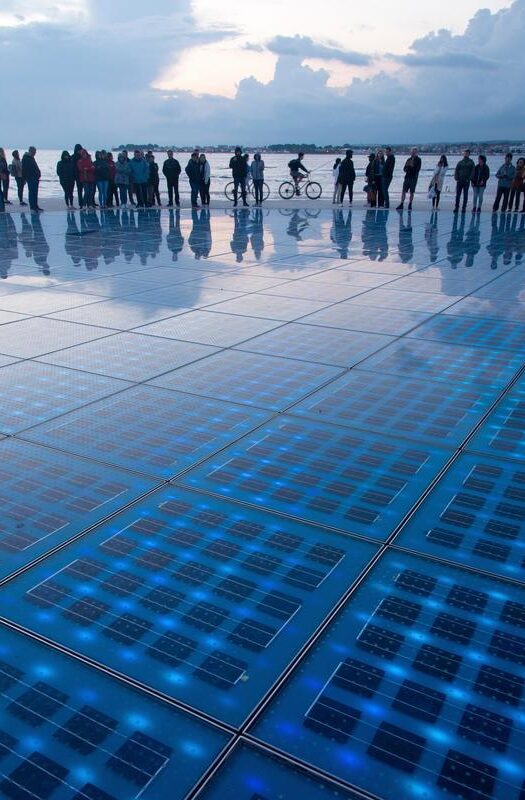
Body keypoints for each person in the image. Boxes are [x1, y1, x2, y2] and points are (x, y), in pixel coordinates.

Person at [453, 149, 475, 213]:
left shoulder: (471, 162)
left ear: (469, 154)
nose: (465, 154)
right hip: (459, 181)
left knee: (465, 195)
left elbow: (473, 172)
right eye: (465, 153)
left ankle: (464, 208)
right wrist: (456, 177)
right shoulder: (460, 162)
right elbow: (456, 170)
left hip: (466, 181)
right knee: (458, 195)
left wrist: (469, 179)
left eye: (467, 153)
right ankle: (456, 207)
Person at [21, 146, 42, 211]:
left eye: (35, 152)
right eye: (34, 152)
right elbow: (23, 169)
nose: (35, 153)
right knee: (32, 192)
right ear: (31, 151)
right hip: (30, 178)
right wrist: (24, 179)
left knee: (35, 193)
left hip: (35, 178)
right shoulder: (26, 158)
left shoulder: (31, 158)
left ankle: (35, 206)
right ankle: (32, 207)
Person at [72, 143, 84, 208]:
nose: (81, 151)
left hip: (80, 175)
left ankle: (82, 203)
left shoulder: (74, 156)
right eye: (80, 150)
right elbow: (73, 167)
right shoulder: (76, 157)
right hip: (78, 175)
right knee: (80, 190)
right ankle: (81, 203)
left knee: (81, 190)